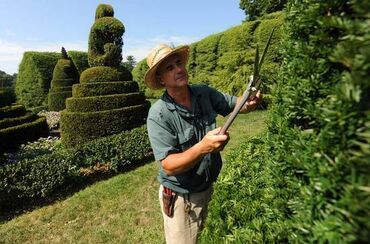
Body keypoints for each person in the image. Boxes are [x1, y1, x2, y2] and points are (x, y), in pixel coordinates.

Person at [145, 44, 262, 244]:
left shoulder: (204, 93)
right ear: (161, 79)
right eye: (169, 68)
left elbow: (235, 103)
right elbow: (168, 165)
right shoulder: (159, 115)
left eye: (179, 63)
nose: (179, 69)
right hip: (183, 198)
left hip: (209, 186)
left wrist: (249, 101)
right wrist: (202, 147)